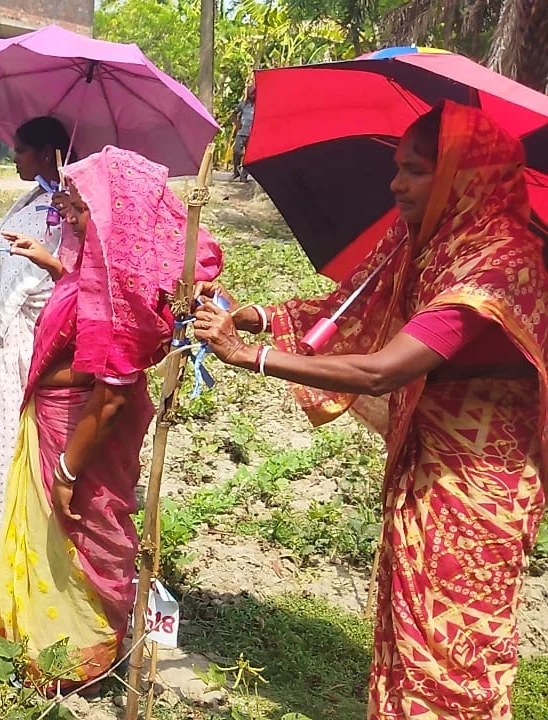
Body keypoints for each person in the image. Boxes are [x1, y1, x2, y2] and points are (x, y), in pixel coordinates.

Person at [192, 102, 547, 718]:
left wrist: (250, 355)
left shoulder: (498, 264)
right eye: (397, 167)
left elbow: (384, 369)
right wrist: (248, 315)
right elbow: (349, 307)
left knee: (457, 639)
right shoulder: (430, 241)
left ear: (464, 177)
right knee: (414, 627)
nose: (396, 184)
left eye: (415, 170)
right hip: (431, 460)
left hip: (480, 481)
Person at [0, 146, 221, 686]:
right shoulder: (100, 270)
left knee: (78, 530)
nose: (69, 218)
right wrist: (51, 264)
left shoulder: (120, 297)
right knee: (56, 537)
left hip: (78, 433)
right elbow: (81, 301)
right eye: (68, 205)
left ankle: (76, 654)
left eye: (79, 208)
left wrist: (67, 472)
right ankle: (42, 643)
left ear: (116, 215)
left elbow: (110, 395)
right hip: (59, 419)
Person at [0, 116, 73, 550]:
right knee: (10, 436)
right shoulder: (32, 198)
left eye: (20, 150)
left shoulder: (73, 208)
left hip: (43, 337)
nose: (14, 158)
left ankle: (38, 539)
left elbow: (71, 275)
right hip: (13, 335)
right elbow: (6, 269)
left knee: (42, 438)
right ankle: (11, 539)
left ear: (47, 154)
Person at [231, 84, 256, 182]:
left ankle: (244, 175)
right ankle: (236, 172)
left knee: (249, 157)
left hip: (252, 135)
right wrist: (237, 123)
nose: (253, 95)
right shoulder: (243, 105)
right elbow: (233, 114)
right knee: (236, 151)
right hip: (241, 133)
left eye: (254, 93)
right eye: (251, 93)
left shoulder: (259, 105)